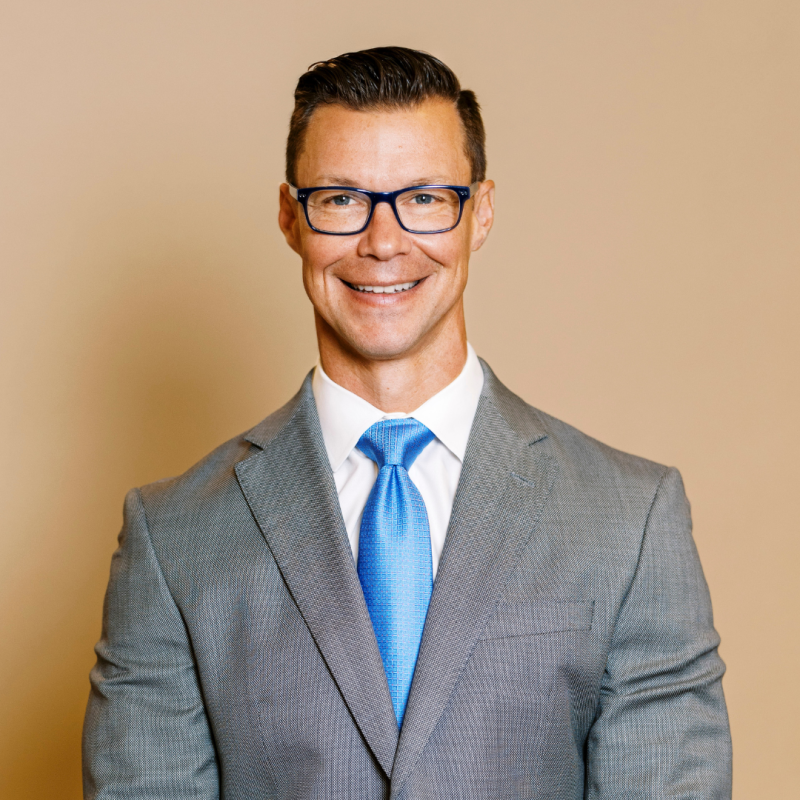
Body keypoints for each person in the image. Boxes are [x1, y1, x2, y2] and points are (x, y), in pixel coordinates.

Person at [83, 47, 732, 799]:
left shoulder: (629, 521)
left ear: (481, 212)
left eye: (424, 198)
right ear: (291, 217)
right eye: (341, 199)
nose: (384, 243)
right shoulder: (173, 539)